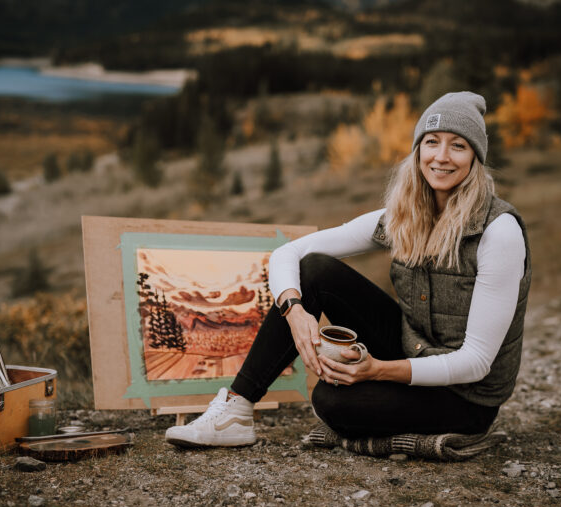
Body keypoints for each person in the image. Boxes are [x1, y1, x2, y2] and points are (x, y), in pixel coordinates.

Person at [165, 91, 531, 447]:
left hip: (464, 396)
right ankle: (236, 411)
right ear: (418, 150)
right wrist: (295, 314)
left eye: (458, 145)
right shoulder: (404, 216)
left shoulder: (499, 233)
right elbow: (287, 254)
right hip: (412, 347)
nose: (441, 157)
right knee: (315, 270)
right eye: (432, 141)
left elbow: (477, 363)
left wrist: (378, 371)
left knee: (332, 402)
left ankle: (405, 407)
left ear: (475, 158)